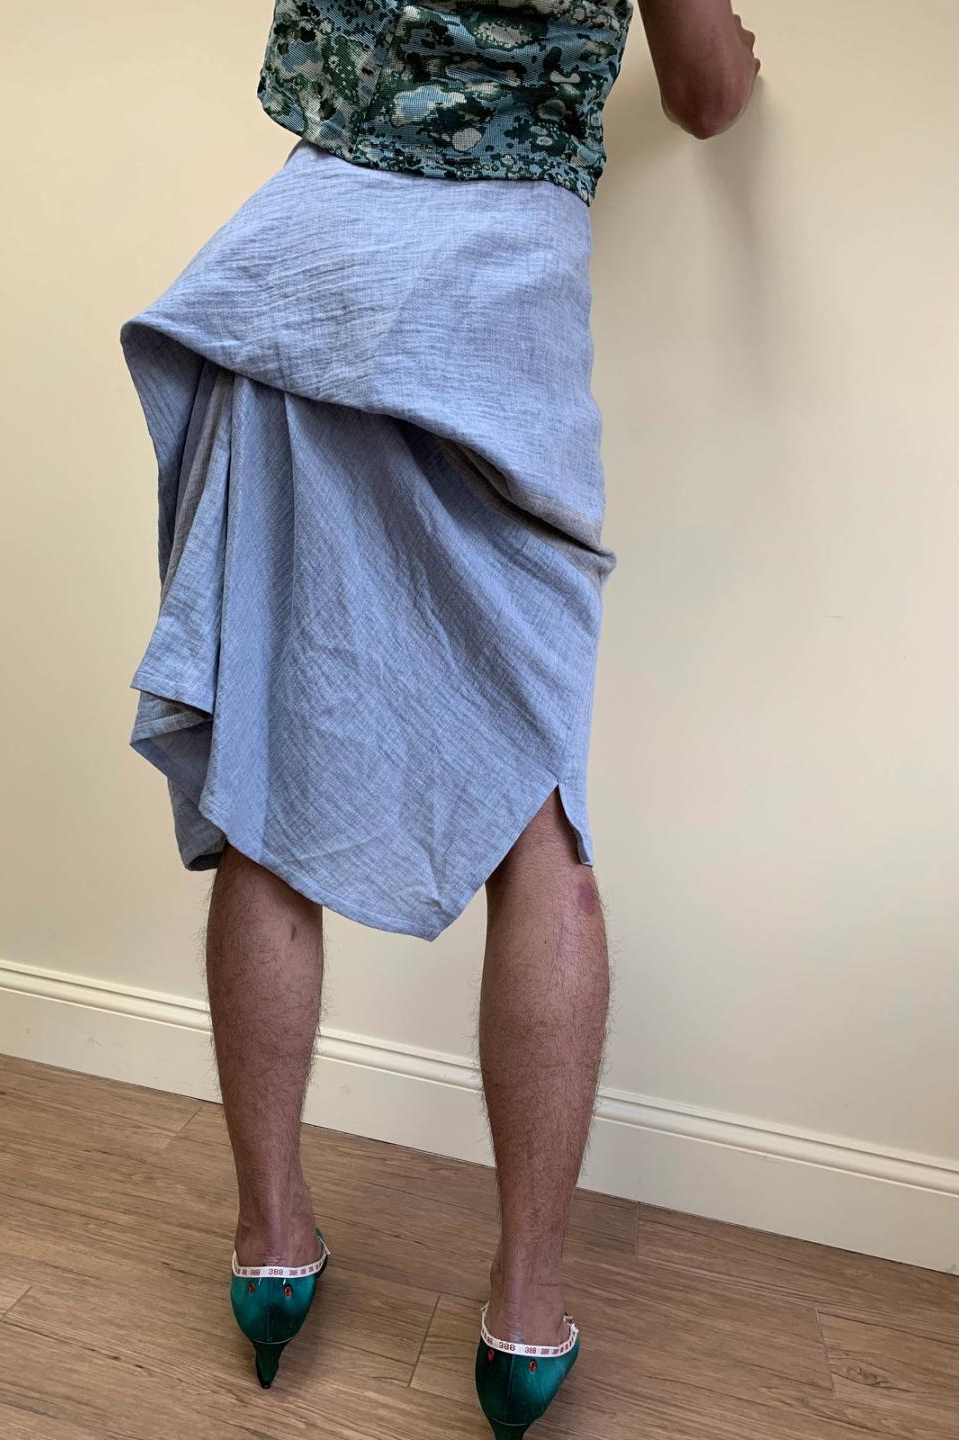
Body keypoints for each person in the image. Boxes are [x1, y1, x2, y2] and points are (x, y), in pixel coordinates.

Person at [120, 2, 760, 1434]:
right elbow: (708, 94)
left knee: (269, 776)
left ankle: (270, 1245)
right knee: (540, 817)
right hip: (490, 306)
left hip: (302, 277)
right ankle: (525, 1316)